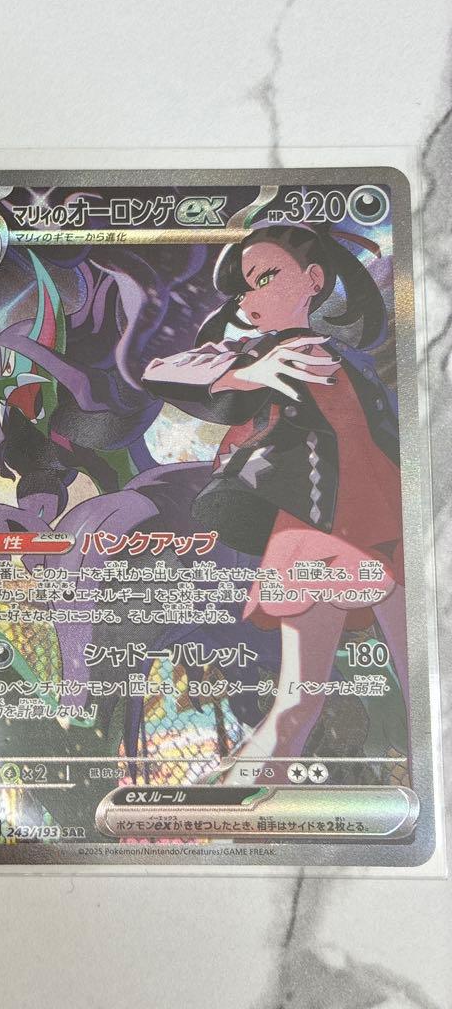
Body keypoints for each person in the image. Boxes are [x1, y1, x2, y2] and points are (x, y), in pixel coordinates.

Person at [142, 224, 406, 782]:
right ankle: (226, 808)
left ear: (313, 279)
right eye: (245, 287)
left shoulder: (348, 355)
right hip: (316, 529)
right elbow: (158, 370)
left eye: (266, 277)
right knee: (296, 704)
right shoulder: (257, 353)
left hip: (390, 521)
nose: (250, 295)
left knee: (426, 681)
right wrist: (247, 371)